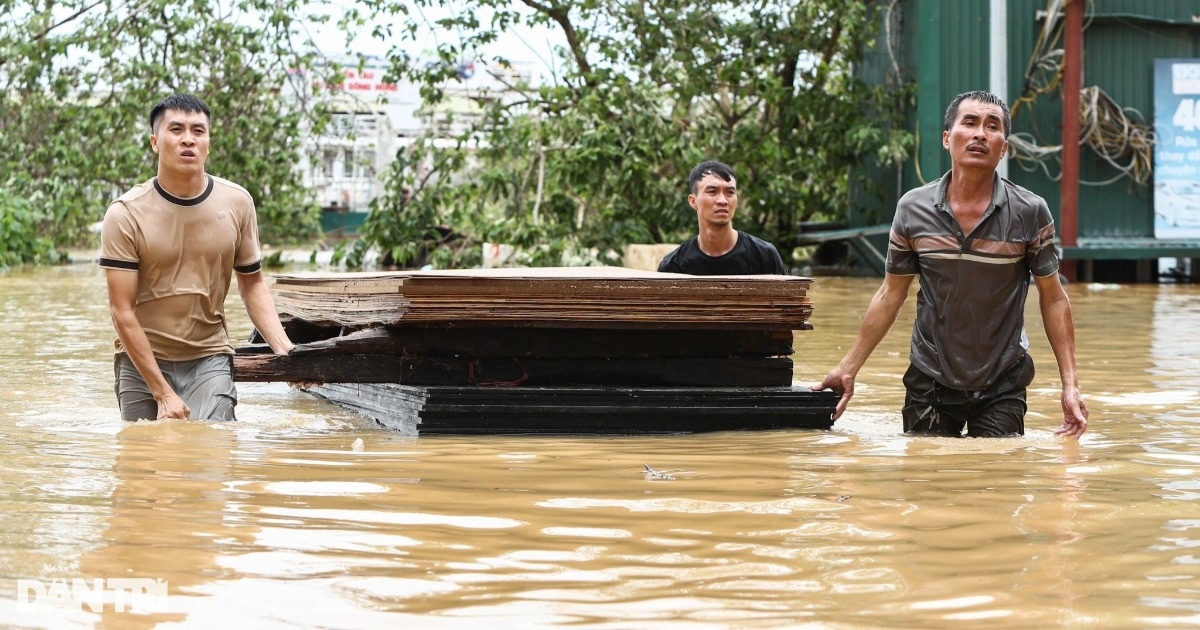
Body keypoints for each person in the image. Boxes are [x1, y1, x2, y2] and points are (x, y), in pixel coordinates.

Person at [812, 90, 1088, 439]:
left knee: (996, 478)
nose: (980, 134)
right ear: (947, 138)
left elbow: (1053, 298)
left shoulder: (1030, 212)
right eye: (969, 123)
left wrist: (1070, 385)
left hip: (1003, 377)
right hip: (929, 377)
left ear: (1003, 147)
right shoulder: (913, 208)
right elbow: (890, 293)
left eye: (992, 127)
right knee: (927, 481)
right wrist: (847, 368)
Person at [100, 93, 297, 422]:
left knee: (213, 452)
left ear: (208, 141)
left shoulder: (237, 202)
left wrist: (284, 350)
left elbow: (252, 284)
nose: (188, 139)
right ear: (155, 142)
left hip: (209, 356)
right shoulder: (125, 213)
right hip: (140, 359)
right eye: (176, 130)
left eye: (198, 131)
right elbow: (121, 311)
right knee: (143, 462)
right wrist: (162, 393)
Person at [658, 160, 789, 275]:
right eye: (712, 192)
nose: (722, 200)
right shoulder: (674, 266)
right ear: (693, 201)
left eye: (730, 192)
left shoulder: (764, 256)